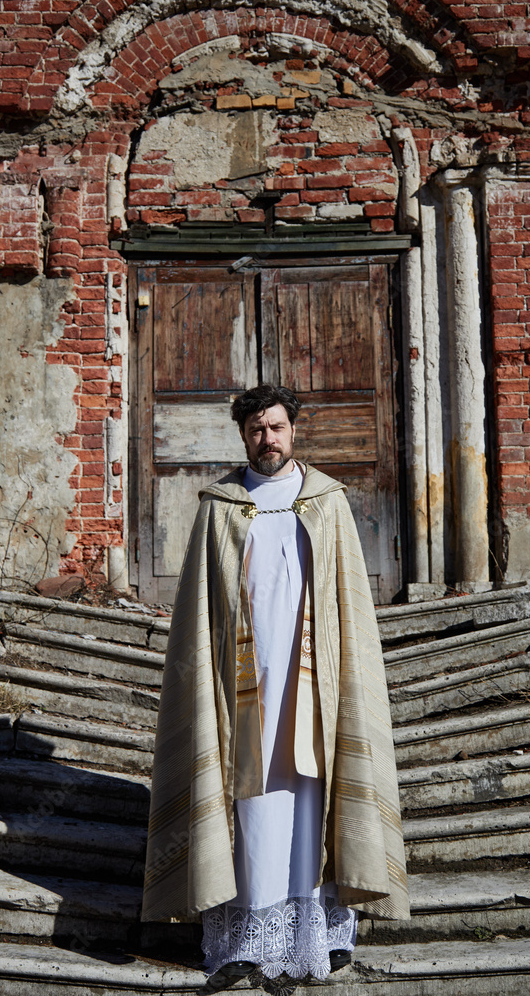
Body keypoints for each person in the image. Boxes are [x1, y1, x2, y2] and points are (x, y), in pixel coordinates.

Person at [141, 384, 409, 989]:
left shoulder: (328, 503)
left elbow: (347, 605)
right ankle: (244, 943)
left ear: (294, 431)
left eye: (278, 427)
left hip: (315, 685)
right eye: (257, 430)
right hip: (243, 687)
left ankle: (323, 933)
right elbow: (199, 613)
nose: (269, 439)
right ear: (244, 436)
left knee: (314, 797)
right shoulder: (219, 507)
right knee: (251, 803)